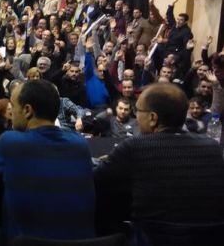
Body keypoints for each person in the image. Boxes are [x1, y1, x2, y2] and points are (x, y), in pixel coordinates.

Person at [94, 84, 224, 227]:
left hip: (152, 235)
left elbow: (96, 179)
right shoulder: (213, 147)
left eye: (138, 111)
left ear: (152, 118)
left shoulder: (134, 146)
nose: (136, 116)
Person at [0, 79, 96, 241]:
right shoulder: (81, 144)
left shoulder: (9, 141)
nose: (11, 112)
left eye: (13, 106)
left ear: (27, 110)